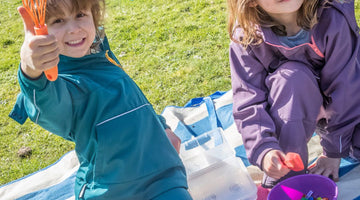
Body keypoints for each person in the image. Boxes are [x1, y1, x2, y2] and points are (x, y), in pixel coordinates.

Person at [9, 0, 192, 199]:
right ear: (40, 30)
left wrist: (161, 126)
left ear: (94, 15)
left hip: (163, 179)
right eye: (58, 20)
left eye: (80, 15)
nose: (73, 29)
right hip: (110, 192)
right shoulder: (58, 83)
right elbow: (47, 104)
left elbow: (131, 99)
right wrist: (31, 71)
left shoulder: (100, 51)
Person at [227, 0, 360, 188]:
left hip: (351, 102)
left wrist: (333, 152)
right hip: (296, 106)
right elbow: (248, 102)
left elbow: (346, 89)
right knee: (291, 78)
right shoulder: (247, 37)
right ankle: (289, 177)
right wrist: (264, 150)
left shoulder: (332, 18)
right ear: (250, 2)